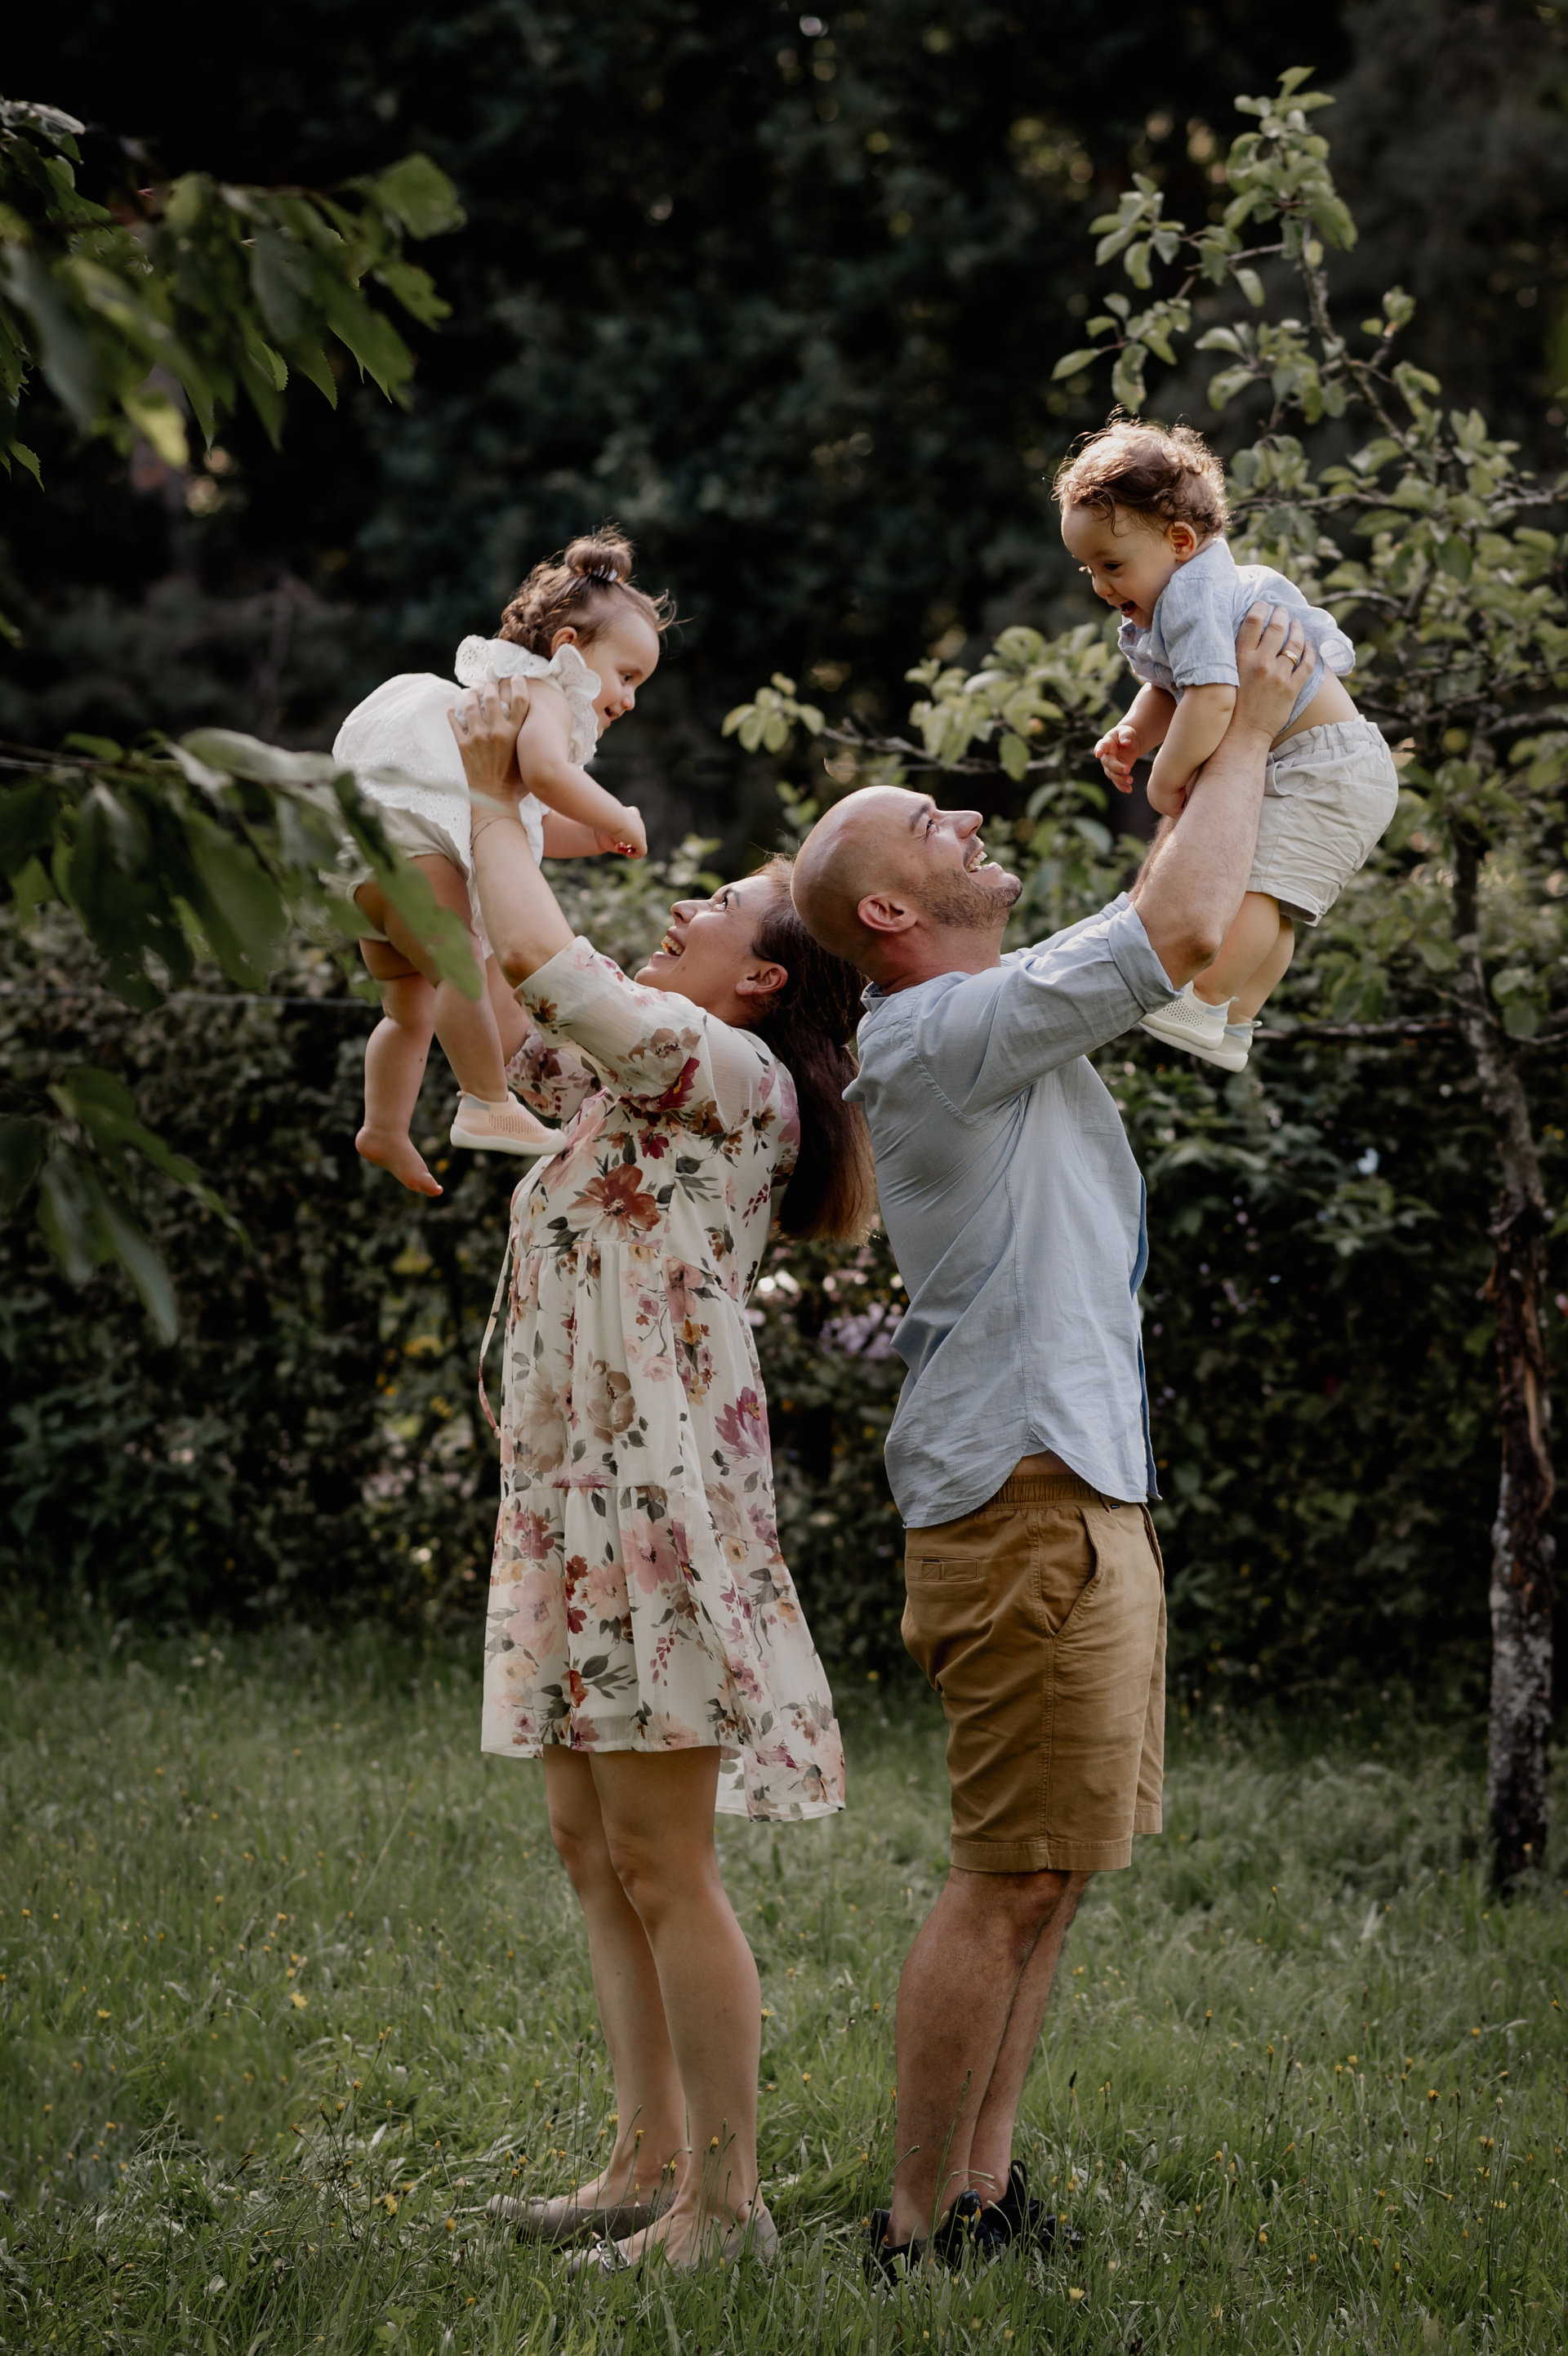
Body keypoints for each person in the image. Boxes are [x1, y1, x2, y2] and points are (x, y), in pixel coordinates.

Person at [789, 603, 1311, 2274]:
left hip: (1074, 1489)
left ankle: (984, 2193)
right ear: (888, 912)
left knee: (1057, 1868)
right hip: (1025, 1498)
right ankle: (911, 2224)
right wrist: (1243, 725)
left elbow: (1162, 917)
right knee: (1006, 1869)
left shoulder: (989, 1015)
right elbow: (1179, 926)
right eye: (925, 821)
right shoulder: (939, 1032)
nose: (961, 815)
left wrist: (1198, 760)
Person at [446, 673, 878, 2271]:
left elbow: (549, 965)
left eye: (718, 907)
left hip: (658, 1510)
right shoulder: (648, 1078)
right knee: (593, 1842)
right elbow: (503, 989)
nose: (681, 908)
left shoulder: (727, 1071)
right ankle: (643, 2159)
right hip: (579, 1502)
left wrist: (494, 790)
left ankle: (726, 2204)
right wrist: (472, 827)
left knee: (662, 1858)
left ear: (763, 977)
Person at [1058, 417, 1400, 1073]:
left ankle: (1206, 999)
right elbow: (1172, 689)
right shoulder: (1175, 597)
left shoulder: (1192, 595)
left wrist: (1164, 777)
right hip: (1330, 766)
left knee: (1259, 894)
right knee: (1274, 896)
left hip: (1325, 767)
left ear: (1180, 541)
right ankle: (1234, 1020)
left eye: (1112, 565)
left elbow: (1212, 698)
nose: (1101, 585)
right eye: (1088, 568)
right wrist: (1134, 732)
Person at [329, 530, 663, 1197]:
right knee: (461, 967)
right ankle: (485, 1100)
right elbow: (546, 775)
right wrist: (618, 816)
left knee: (408, 1013)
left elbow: (527, 818)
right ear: (569, 649)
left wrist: (593, 838)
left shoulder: (506, 697)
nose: (628, 699)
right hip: (415, 854)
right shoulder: (544, 691)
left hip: (374, 871)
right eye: (626, 676)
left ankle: (384, 1126)